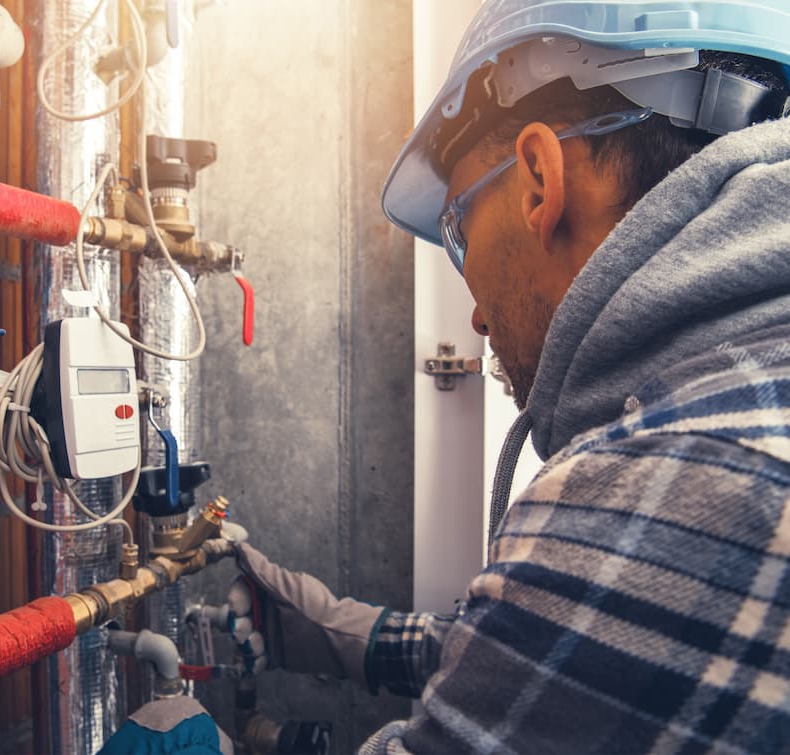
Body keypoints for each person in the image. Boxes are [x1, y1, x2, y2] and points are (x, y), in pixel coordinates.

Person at [108, 1, 790, 751]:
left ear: (539, 179)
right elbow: (585, 664)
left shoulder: (666, 487)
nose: (476, 321)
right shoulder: (741, 402)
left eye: (459, 228)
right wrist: (348, 633)